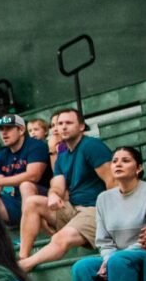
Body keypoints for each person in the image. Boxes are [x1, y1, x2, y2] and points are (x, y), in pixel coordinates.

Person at [21, 108, 114, 270]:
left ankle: (23, 266)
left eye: (69, 123)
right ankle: (22, 255)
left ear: (81, 127)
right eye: (59, 124)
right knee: (32, 202)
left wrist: (112, 221)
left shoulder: (92, 146)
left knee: (60, 238)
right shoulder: (63, 155)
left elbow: (112, 182)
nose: (62, 127)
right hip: (72, 209)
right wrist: (53, 195)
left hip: (94, 210)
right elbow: (57, 185)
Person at [72, 147, 146, 281]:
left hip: (142, 254)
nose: (118, 164)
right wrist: (107, 259)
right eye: (115, 161)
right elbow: (103, 240)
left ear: (138, 168)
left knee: (119, 261)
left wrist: (113, 259)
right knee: (81, 267)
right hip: (114, 256)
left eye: (125, 160)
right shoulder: (103, 198)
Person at [0, 114, 48, 224]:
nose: (4, 133)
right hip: (17, 202)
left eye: (8, 128)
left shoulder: (36, 145)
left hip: (44, 198)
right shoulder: (2, 154)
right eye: (1, 129)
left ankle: (29, 231)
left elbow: (33, 175)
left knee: (26, 185)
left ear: (21, 130)